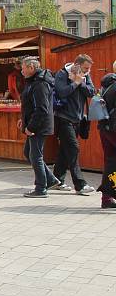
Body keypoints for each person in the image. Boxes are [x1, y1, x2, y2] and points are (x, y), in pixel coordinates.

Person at [52, 54, 96, 195]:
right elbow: (62, 92)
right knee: (73, 149)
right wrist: (75, 83)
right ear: (76, 65)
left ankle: (56, 179)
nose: (87, 71)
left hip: (78, 119)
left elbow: (92, 92)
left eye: (88, 69)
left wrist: (81, 82)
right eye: (85, 68)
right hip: (63, 118)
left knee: (65, 150)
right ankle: (80, 184)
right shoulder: (62, 74)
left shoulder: (84, 75)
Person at [18, 57, 61, 198]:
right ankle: (50, 180)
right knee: (28, 152)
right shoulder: (33, 82)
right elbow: (29, 105)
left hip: (39, 126)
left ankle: (41, 188)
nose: (21, 71)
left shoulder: (40, 84)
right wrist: (23, 120)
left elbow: (41, 109)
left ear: (31, 68)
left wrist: (31, 126)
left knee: (35, 155)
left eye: (23, 68)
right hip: (35, 124)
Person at [97, 65, 116, 209]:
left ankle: (107, 198)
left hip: (105, 128)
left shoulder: (107, 86)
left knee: (111, 161)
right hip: (113, 128)